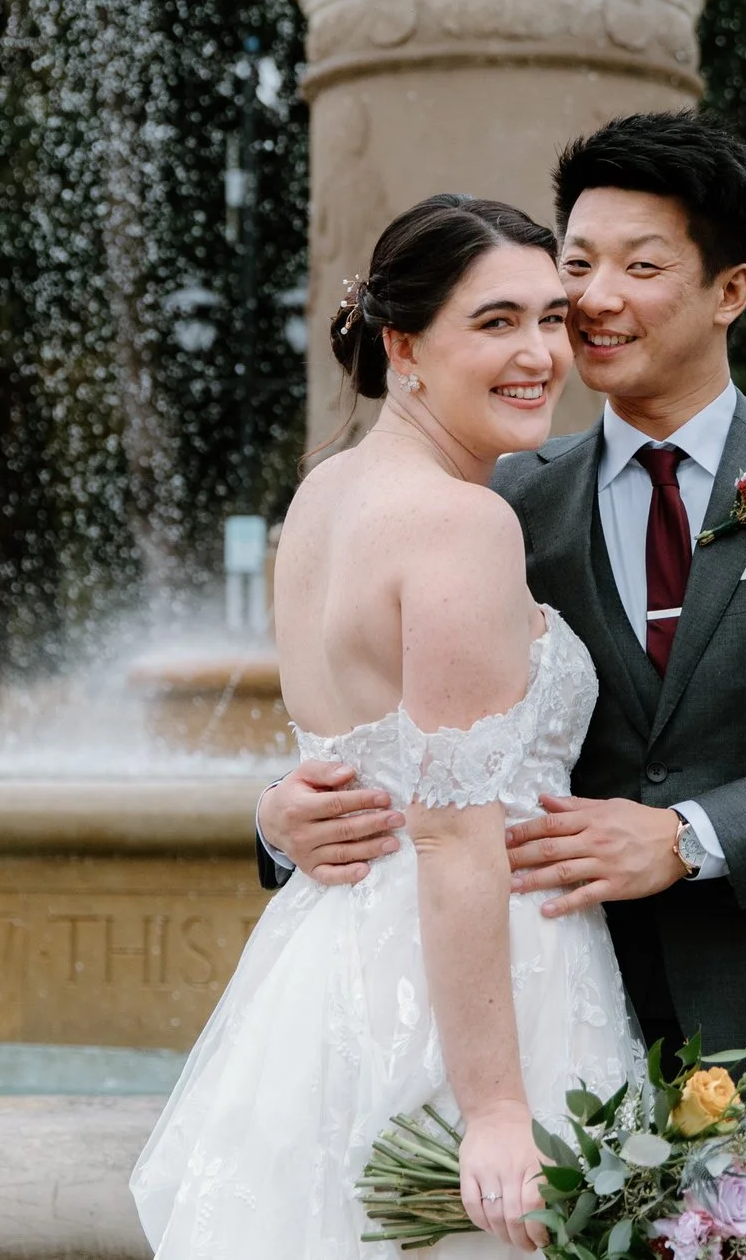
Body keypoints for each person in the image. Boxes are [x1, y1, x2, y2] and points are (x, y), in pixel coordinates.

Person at [260, 112, 746, 1260]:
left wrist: (690, 835)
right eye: (575, 264)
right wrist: (284, 818)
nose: (592, 298)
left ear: (728, 289)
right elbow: (405, 733)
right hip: (565, 1041)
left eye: (639, 266)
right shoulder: (498, 497)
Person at [130, 194, 635, 1257]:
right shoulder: (462, 520)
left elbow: (347, 747)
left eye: (550, 317)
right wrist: (496, 1108)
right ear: (404, 344)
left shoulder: (322, 495)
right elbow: (454, 833)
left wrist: (280, 809)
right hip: (473, 983)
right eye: (494, 322)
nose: (540, 352)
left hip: (327, 959)